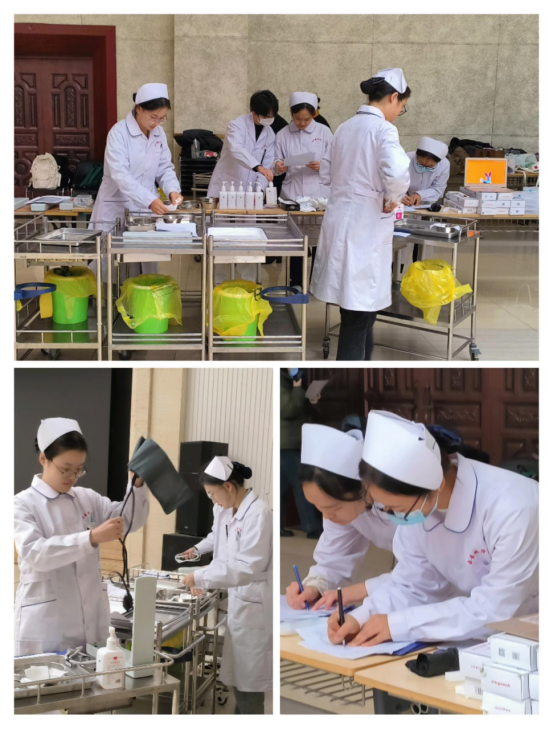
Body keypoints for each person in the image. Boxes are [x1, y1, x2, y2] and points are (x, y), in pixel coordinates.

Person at [328, 411, 539, 647]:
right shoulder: (419, 509)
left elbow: (492, 608)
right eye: (384, 507)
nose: (391, 515)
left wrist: (397, 625)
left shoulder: (512, 508)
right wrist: (361, 617)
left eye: (396, 508)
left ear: (437, 484)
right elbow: (413, 586)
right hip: (493, 632)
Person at [14, 418, 149, 656]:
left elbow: (127, 521)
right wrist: (90, 538)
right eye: (65, 469)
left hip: (90, 615)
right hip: (47, 624)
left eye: (79, 470)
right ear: (44, 458)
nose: (72, 477)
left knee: (92, 673)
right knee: (48, 678)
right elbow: (36, 554)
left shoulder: (87, 498)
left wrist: (136, 485)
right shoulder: (22, 504)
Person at [310, 68, 411, 361]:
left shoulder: (345, 127)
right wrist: (392, 197)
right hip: (365, 230)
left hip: (341, 220)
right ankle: (349, 373)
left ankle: (361, 366)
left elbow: (326, 173)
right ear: (393, 97)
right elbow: (398, 173)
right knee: (359, 313)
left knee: (358, 311)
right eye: (402, 106)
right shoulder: (383, 129)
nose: (399, 112)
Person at [180, 456, 272, 715]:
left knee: (249, 681)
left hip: (253, 602)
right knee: (238, 679)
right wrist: (198, 553)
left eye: (212, 494)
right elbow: (219, 540)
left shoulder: (258, 514)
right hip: (238, 598)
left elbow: (246, 567)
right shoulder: (224, 508)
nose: (212, 500)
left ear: (229, 486)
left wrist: (201, 577)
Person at [285, 424, 395, 611]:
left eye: (333, 508)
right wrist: (315, 587)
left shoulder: (405, 504)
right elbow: (333, 561)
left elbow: (420, 574)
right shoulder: (345, 509)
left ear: (363, 487)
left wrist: (362, 591)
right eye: (318, 508)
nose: (327, 517)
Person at [89, 82, 182, 275]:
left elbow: (164, 167)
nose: (156, 123)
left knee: (145, 261)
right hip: (116, 206)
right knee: (112, 266)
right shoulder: (119, 133)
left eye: (162, 118)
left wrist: (173, 189)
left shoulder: (158, 134)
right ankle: (109, 294)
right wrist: (149, 199)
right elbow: (120, 175)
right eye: (153, 117)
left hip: (145, 208)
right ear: (139, 108)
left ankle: (142, 291)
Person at [207, 89, 278, 282]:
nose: (268, 119)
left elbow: (268, 163)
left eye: (271, 116)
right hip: (226, 188)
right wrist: (258, 167)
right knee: (221, 238)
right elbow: (237, 150)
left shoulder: (270, 134)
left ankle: (249, 285)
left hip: (250, 194)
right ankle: (219, 284)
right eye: (265, 116)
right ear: (254, 112)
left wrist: (260, 189)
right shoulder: (236, 125)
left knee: (249, 240)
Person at [280, 369, 323, 539]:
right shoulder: (280, 379)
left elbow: (298, 406)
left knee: (282, 486)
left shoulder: (288, 377)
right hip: (287, 443)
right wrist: (297, 387)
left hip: (292, 441)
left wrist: (310, 400)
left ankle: (279, 527)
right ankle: (311, 527)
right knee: (302, 483)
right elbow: (288, 409)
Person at [274, 92, 333, 201]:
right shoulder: (282, 134)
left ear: (314, 115)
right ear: (291, 112)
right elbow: (274, 162)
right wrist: (277, 166)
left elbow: (335, 163)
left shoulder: (324, 132)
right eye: (297, 118)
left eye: (307, 119)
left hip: (319, 193)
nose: (302, 123)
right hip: (291, 193)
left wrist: (322, 166)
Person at [402, 136, 450, 207]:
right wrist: (402, 196)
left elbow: (438, 188)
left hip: (427, 203)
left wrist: (421, 194)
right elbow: (395, 183)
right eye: (421, 163)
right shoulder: (405, 159)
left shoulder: (444, 165)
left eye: (429, 166)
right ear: (416, 155)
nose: (424, 167)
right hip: (402, 203)